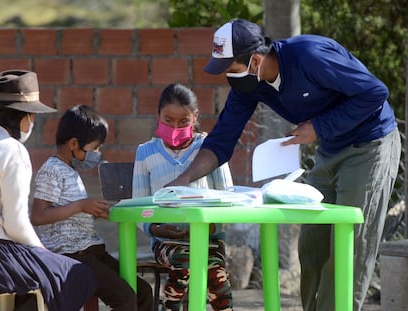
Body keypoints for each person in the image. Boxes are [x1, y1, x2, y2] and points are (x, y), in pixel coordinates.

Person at [167, 19, 402, 311]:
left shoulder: (309, 56)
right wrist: (183, 179)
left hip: (370, 145)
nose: (227, 77)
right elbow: (221, 140)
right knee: (312, 244)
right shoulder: (249, 86)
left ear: (254, 61)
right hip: (331, 148)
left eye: (230, 69)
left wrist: (319, 127)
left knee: (350, 244)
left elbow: (375, 92)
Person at [30, 104, 154, 311]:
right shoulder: (51, 170)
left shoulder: (70, 171)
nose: (97, 153)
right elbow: (38, 215)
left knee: (143, 292)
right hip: (73, 254)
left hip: (92, 250)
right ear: (73, 143)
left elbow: (68, 212)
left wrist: (92, 212)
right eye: (94, 148)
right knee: (124, 299)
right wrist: (80, 205)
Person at [0, 69, 97, 311]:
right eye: (31, 116)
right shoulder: (11, 150)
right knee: (76, 274)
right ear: (21, 116)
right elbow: (16, 225)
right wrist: (42, 252)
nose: (32, 122)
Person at [133, 83, 233, 311]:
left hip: (209, 240)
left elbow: (229, 199)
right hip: (166, 242)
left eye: (183, 121)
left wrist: (210, 227)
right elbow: (138, 206)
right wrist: (155, 229)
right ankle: (172, 307)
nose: (175, 127)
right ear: (158, 115)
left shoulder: (210, 148)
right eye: (168, 120)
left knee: (216, 275)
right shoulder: (145, 153)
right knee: (185, 260)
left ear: (195, 117)